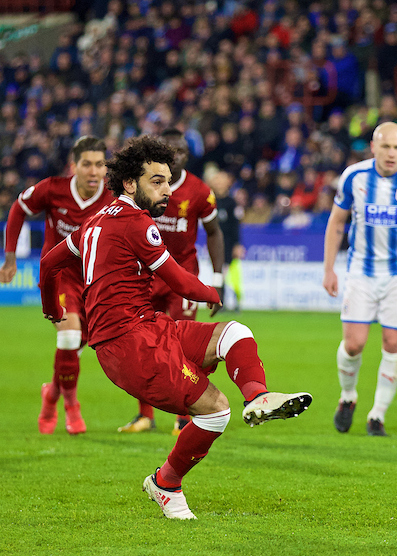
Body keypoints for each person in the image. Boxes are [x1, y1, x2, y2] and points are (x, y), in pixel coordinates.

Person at [39, 136, 311, 520]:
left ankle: (257, 397)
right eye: (157, 181)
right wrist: (212, 290)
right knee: (215, 412)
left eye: (168, 181)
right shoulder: (138, 224)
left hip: (150, 327)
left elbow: (49, 264)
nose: (167, 190)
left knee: (235, 333)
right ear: (131, 183)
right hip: (129, 346)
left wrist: (52, 307)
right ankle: (166, 483)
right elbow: (180, 282)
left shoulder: (93, 224)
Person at [323, 122, 397, 437]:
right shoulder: (354, 177)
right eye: (386, 146)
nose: (392, 153)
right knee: (354, 344)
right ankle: (348, 396)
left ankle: (377, 415)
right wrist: (328, 268)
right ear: (374, 147)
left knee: (392, 343)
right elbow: (337, 222)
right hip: (361, 270)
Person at [0, 136, 113, 435]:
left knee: (76, 344)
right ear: (73, 166)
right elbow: (18, 209)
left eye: (99, 164)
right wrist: (10, 258)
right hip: (57, 274)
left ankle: (50, 393)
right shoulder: (52, 189)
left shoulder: (115, 198)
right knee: (69, 336)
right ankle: (71, 407)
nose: (93, 171)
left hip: (93, 279)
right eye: (86, 164)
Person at [118, 128, 226, 436]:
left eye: (181, 152)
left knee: (183, 347)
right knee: (140, 344)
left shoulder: (199, 191)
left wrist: (216, 280)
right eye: (170, 152)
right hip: (145, 278)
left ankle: (184, 416)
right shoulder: (142, 187)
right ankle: (144, 416)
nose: (176, 157)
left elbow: (215, 232)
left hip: (182, 279)